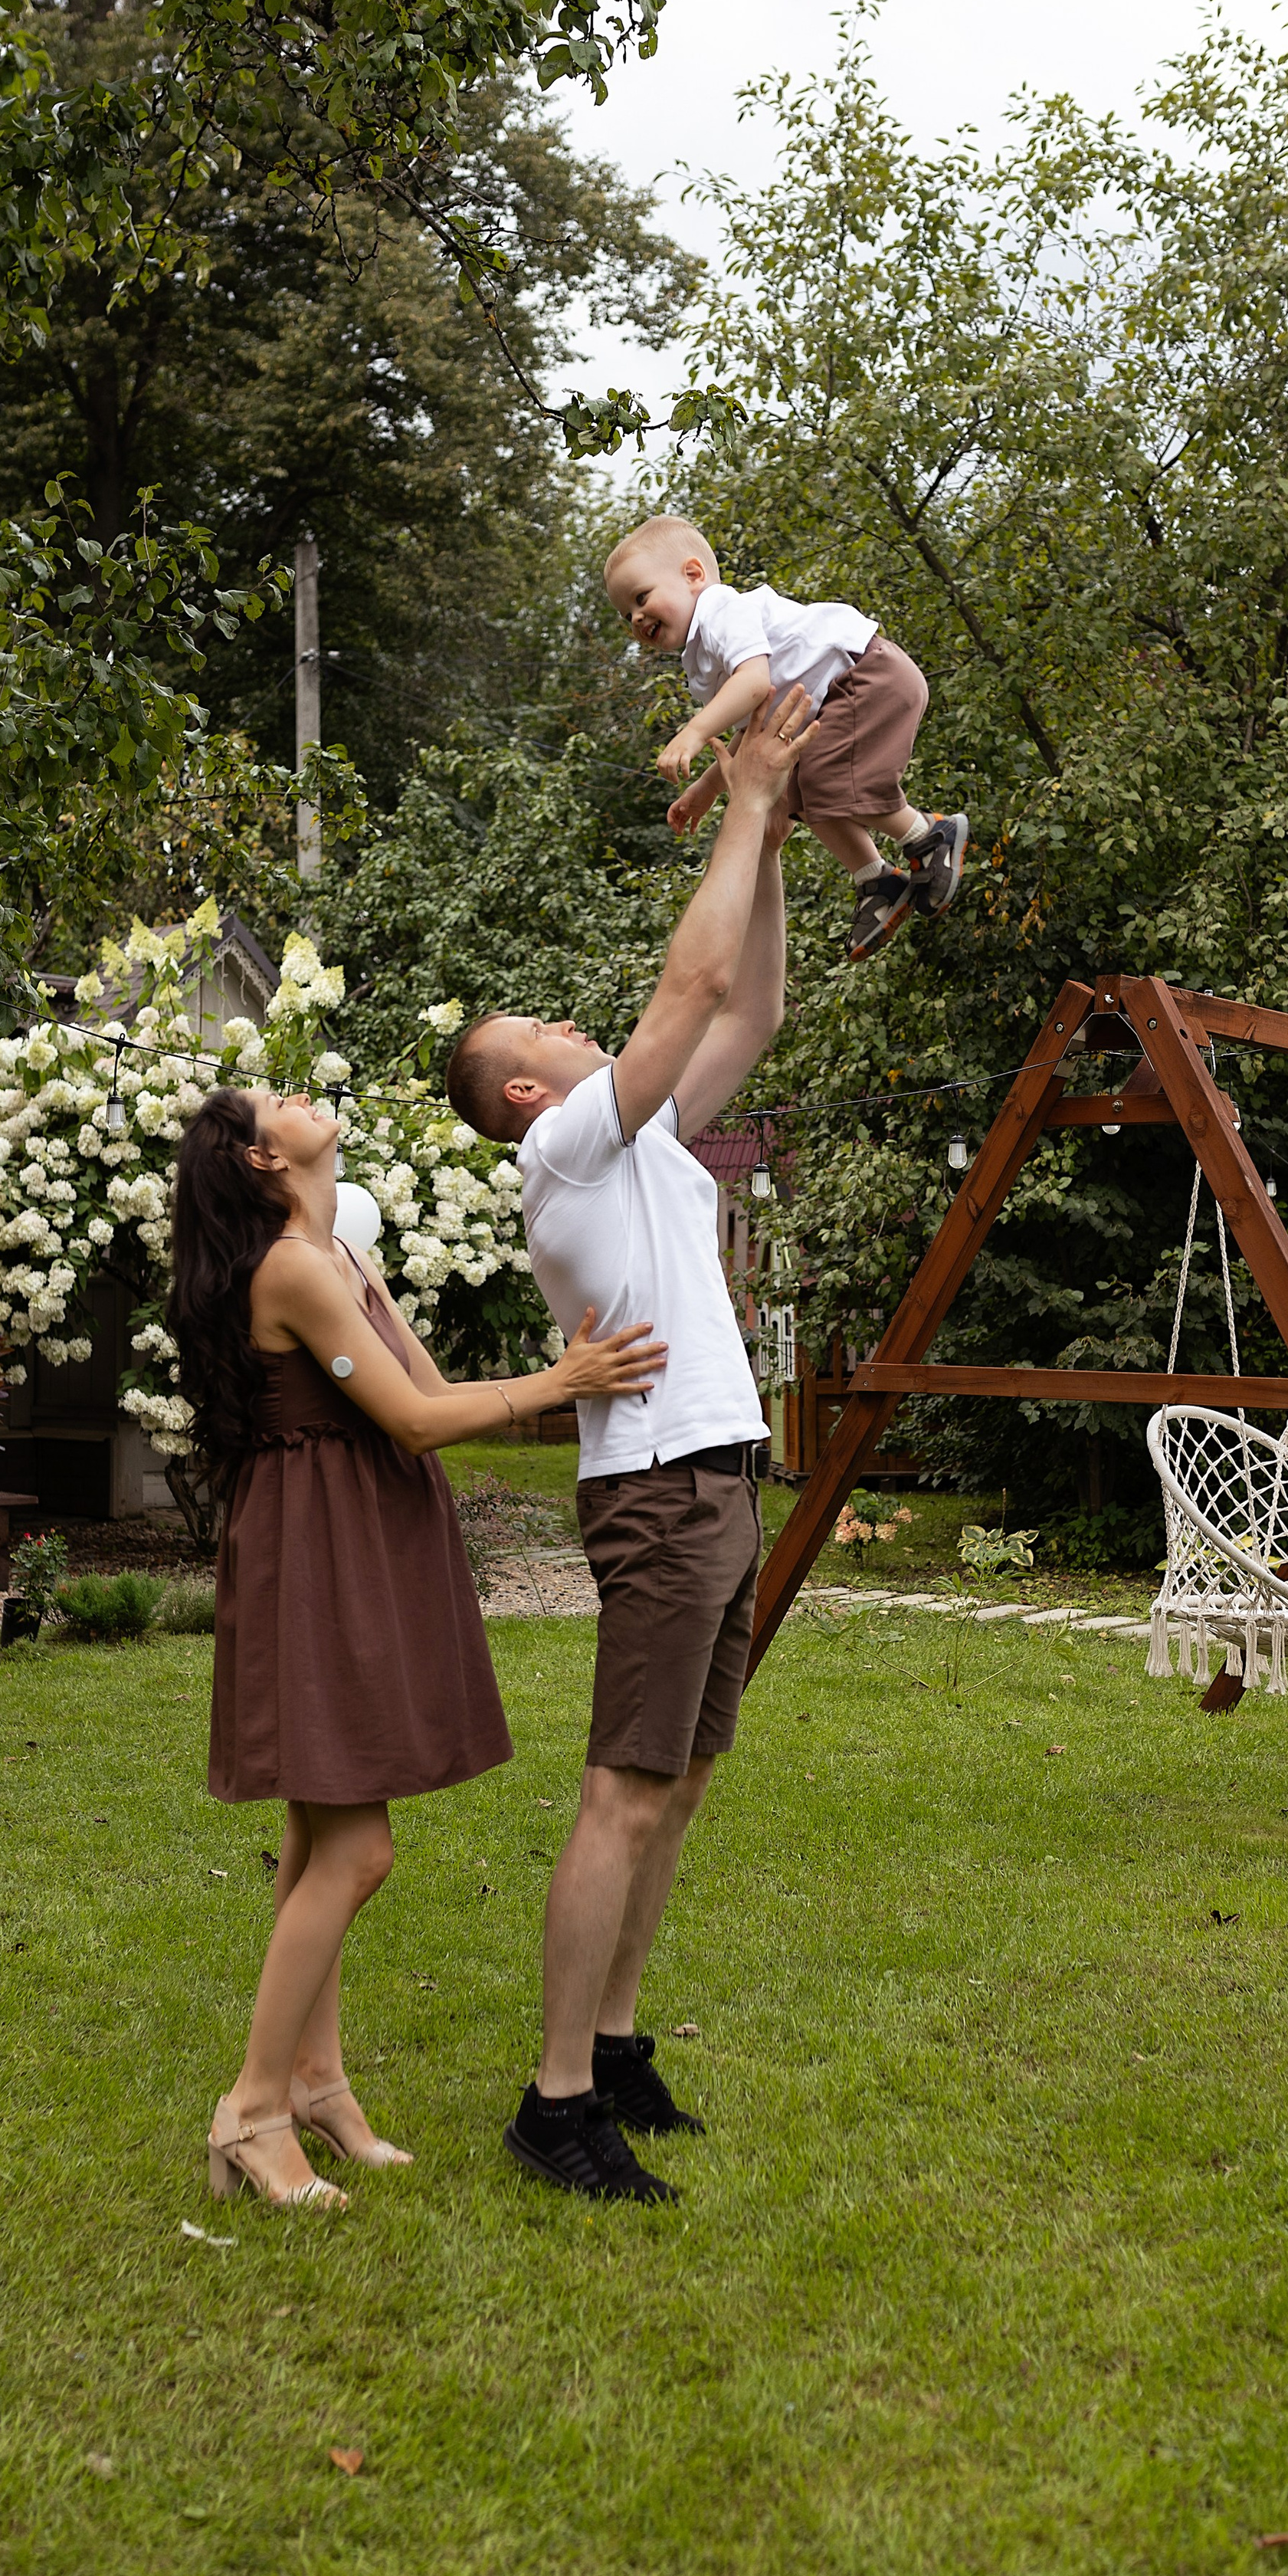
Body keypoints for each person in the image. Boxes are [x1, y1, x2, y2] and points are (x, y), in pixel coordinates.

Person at [441, 684, 815, 2204]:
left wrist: (773, 823)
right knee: (622, 1784)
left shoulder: (644, 1137)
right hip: (657, 1490)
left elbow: (750, 1006)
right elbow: (682, 993)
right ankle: (551, 2105)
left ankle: (608, 2046)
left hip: (711, 1471)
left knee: (683, 1775)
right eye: (539, 1030)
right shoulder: (561, 1143)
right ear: (524, 1090)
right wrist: (736, 800)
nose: (565, 1019)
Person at [169, 1083, 668, 2212]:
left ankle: (318, 2084)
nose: (298, 1093)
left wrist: (563, 1387)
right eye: (271, 1102)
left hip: (351, 1537)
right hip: (318, 1552)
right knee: (356, 1852)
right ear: (260, 1160)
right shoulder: (292, 1271)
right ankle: (251, 2109)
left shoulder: (337, 1255)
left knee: (316, 1834)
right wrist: (563, 1380)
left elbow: (435, 1395)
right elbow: (415, 1423)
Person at [602, 511, 968, 963]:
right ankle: (877, 878)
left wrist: (694, 732)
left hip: (865, 675)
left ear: (693, 575)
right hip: (836, 699)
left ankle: (928, 833)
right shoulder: (703, 657)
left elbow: (755, 683)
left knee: (829, 779)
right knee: (799, 792)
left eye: (642, 598)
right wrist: (707, 788)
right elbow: (751, 730)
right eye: (626, 614)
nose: (637, 618)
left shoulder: (722, 612)